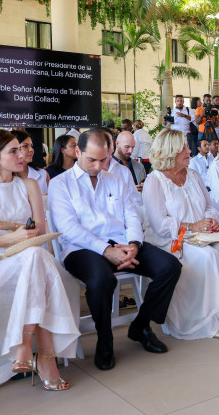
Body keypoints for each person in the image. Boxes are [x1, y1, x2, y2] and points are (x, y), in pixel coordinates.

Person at [48, 130, 182, 371]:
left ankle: (141, 325)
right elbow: (69, 229)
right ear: (77, 151)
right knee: (102, 280)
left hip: (122, 243)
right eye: (92, 159)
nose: (98, 166)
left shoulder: (116, 179)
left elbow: (131, 215)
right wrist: (106, 250)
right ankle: (105, 339)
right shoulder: (60, 184)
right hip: (81, 249)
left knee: (170, 266)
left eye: (103, 160)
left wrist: (134, 244)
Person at [0, 130, 80, 392]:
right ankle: (45, 357)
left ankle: (25, 346)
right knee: (37, 260)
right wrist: (14, 236)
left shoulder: (29, 185)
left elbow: (38, 229)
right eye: (14, 151)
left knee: (34, 256)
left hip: (30, 257)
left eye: (22, 148)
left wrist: (8, 226)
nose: (23, 154)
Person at [143, 129, 219, 339]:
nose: (189, 151)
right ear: (170, 151)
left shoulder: (192, 174)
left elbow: (210, 206)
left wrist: (210, 220)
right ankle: (210, 317)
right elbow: (160, 224)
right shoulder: (154, 180)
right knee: (207, 256)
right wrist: (193, 226)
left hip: (201, 234)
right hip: (172, 239)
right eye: (183, 147)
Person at [12, 130, 50, 195]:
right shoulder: (6, 177)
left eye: (31, 146)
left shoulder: (42, 174)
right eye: (25, 146)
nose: (31, 149)